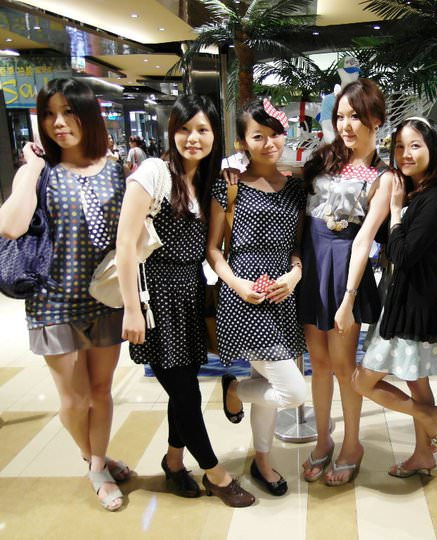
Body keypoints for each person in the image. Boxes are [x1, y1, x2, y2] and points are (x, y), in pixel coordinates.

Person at [115, 94, 255, 508]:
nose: (193, 138)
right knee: (187, 393)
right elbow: (125, 245)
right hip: (156, 297)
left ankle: (174, 462)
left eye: (202, 130)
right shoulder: (153, 172)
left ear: (214, 136)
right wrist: (132, 309)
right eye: (184, 129)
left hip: (190, 292)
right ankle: (216, 473)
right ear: (171, 131)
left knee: (184, 387)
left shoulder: (208, 179)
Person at [0, 78, 128, 511]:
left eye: (68, 112)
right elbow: (11, 226)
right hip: (52, 301)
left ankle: (99, 463)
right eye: (49, 114)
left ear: (88, 116)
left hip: (105, 298)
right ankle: (94, 462)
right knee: (74, 400)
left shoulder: (113, 168)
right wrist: (31, 169)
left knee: (101, 390)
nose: (58, 123)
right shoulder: (40, 172)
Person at [207, 99, 307, 497]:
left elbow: (297, 247)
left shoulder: (296, 188)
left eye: (275, 135)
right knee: (292, 392)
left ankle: (262, 460)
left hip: (282, 294)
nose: (269, 144)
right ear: (242, 142)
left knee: (266, 382)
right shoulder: (228, 185)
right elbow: (214, 250)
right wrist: (237, 285)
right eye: (258, 136)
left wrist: (295, 275)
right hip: (243, 297)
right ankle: (234, 390)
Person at [297, 78, 392, 486]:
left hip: (345, 271)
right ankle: (324, 439)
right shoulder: (322, 161)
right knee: (317, 365)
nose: (346, 125)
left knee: (342, 365)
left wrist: (349, 297)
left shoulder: (384, 176)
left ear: (376, 120)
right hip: (313, 266)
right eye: (340, 116)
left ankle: (353, 444)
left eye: (355, 116)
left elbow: (366, 239)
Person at [352, 117, 437, 476]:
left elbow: (403, 254)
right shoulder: (415, 191)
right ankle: (424, 454)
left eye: (415, 146)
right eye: (399, 146)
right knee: (416, 380)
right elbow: (387, 241)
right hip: (400, 299)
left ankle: (430, 415)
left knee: (362, 381)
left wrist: (395, 212)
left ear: (432, 149)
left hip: (410, 306)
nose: (405, 153)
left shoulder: (436, 198)